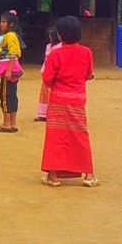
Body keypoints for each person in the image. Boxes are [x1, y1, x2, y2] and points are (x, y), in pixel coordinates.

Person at [40, 16, 98, 187]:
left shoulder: (55, 54)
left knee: (56, 136)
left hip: (58, 99)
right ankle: (89, 174)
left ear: (59, 35)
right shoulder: (86, 52)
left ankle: (53, 176)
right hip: (77, 100)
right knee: (80, 135)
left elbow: (47, 79)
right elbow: (88, 73)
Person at [0, 11, 23, 133]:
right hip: (13, 69)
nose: (1, 24)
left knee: (5, 96)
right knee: (12, 95)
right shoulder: (13, 36)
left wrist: (9, 70)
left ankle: (7, 123)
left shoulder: (9, 36)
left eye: (4, 22)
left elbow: (13, 53)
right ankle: (13, 123)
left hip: (7, 70)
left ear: (11, 24)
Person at [36, 27, 62, 122]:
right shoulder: (48, 46)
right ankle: (43, 114)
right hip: (46, 70)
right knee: (44, 93)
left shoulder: (60, 46)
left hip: (56, 71)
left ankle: (53, 114)